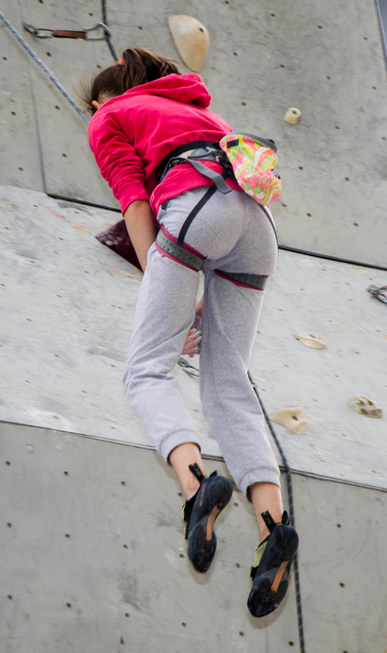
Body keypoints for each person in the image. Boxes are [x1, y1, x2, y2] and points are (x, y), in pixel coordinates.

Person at [82, 47, 298, 617]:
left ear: (106, 96)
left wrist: (163, 287)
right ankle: (272, 529)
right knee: (230, 384)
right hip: (257, 225)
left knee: (146, 368)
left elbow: (134, 202)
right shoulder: (202, 111)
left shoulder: (109, 118)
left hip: (195, 208)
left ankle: (196, 483)